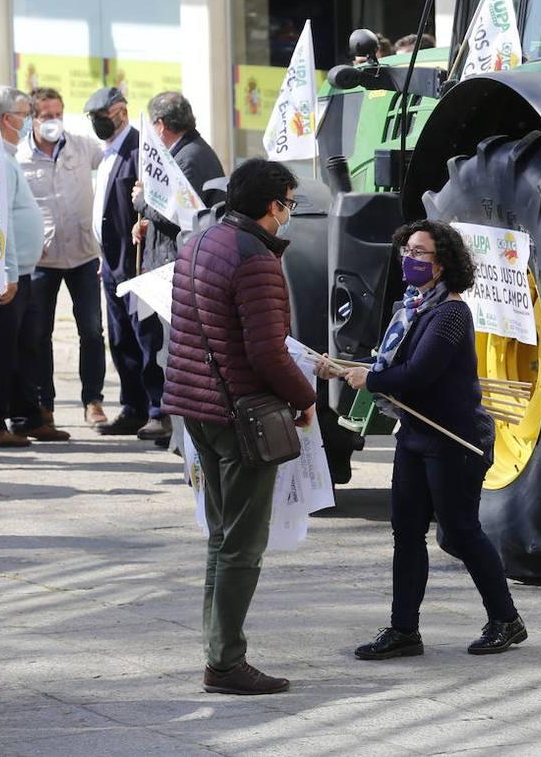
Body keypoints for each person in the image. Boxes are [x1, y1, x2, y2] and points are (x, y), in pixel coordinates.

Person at [163, 158, 316, 696]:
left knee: (222, 538)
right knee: (242, 546)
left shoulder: (201, 241)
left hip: (195, 408)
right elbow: (267, 352)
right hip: (239, 414)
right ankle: (225, 663)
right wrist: (306, 399)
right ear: (273, 206)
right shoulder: (255, 259)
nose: (289, 214)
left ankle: (218, 651)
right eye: (290, 204)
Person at [341, 219, 526, 660]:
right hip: (416, 436)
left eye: (420, 253)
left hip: (455, 441)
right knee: (405, 533)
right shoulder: (413, 309)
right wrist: (347, 367)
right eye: (407, 249)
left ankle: (506, 619)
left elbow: (418, 375)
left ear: (442, 264)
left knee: (460, 533)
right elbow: (395, 365)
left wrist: (371, 379)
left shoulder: (451, 314)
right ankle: (404, 629)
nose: (410, 258)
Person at [0, 87, 69, 447]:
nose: (31, 120)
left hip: (21, 272)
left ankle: (27, 415)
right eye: (26, 113)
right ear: (7, 119)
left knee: (25, 348)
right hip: (1, 276)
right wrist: (7, 272)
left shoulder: (6, 156)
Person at [16, 87, 109, 430]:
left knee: (92, 330)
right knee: (38, 334)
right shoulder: (20, 158)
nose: (54, 121)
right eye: (46, 116)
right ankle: (45, 406)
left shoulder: (82, 145)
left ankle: (94, 400)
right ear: (32, 119)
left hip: (83, 254)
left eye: (58, 113)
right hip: (41, 258)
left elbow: (114, 159)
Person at [86, 87, 167, 440]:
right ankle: (132, 406)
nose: (97, 123)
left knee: (145, 338)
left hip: (136, 263)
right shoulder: (107, 152)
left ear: (120, 112)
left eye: (101, 116)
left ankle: (156, 410)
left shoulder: (138, 151)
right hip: (111, 263)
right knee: (120, 339)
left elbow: (150, 204)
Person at [131, 92, 226, 272]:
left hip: (179, 263)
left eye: (153, 123)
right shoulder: (187, 152)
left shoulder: (188, 159)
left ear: (160, 125)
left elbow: (181, 212)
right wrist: (150, 223)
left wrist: (142, 202)